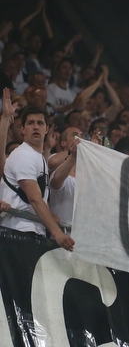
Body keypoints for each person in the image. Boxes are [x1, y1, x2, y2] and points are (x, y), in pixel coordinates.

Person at [0, 106, 74, 250]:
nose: (35, 127)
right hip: (16, 232)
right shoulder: (23, 155)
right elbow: (34, 198)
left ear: (46, 129)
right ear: (22, 129)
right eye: (30, 123)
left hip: (30, 231)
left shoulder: (38, 157)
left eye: (40, 123)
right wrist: (57, 233)